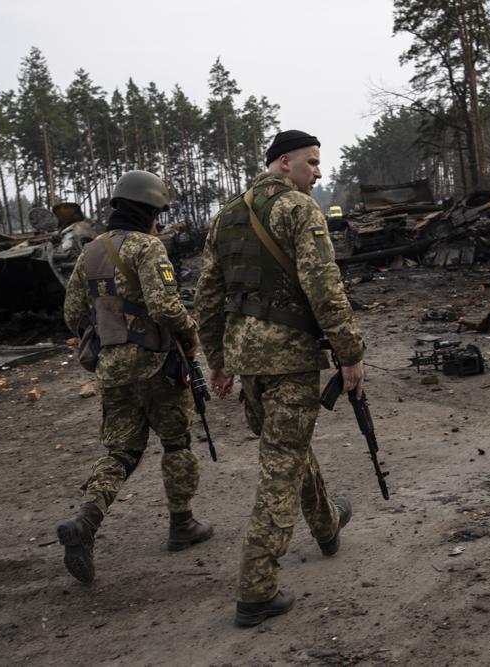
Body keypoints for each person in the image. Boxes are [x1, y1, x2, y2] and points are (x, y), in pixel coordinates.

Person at [194, 130, 365, 626]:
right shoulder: (298, 210)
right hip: (289, 360)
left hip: (249, 363)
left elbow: (208, 294)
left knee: (285, 448)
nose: (318, 172)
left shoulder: (227, 213)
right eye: (312, 163)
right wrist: (350, 352)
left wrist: (220, 358)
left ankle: (327, 524)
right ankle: (256, 589)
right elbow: (324, 287)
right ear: (284, 163)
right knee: (280, 468)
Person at [57, 170, 213, 586]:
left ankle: (86, 521)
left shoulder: (89, 252)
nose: (160, 221)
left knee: (122, 451)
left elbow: (72, 315)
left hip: (110, 369)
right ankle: (182, 524)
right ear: (149, 212)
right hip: (157, 363)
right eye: (158, 213)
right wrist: (190, 330)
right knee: (177, 442)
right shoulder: (149, 248)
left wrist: (110, 334)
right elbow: (164, 305)